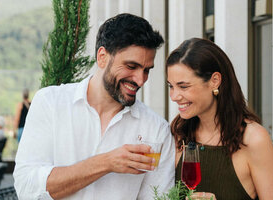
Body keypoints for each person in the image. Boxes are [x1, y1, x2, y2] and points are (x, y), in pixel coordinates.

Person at [14, 13, 175, 199]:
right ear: (102, 57)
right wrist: (106, 162)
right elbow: (27, 188)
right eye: (131, 66)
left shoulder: (156, 129)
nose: (140, 79)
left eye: (146, 70)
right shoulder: (50, 103)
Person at [167, 38, 273, 200]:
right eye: (170, 86)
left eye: (183, 86)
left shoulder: (254, 139)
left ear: (215, 81)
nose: (174, 96)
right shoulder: (178, 134)